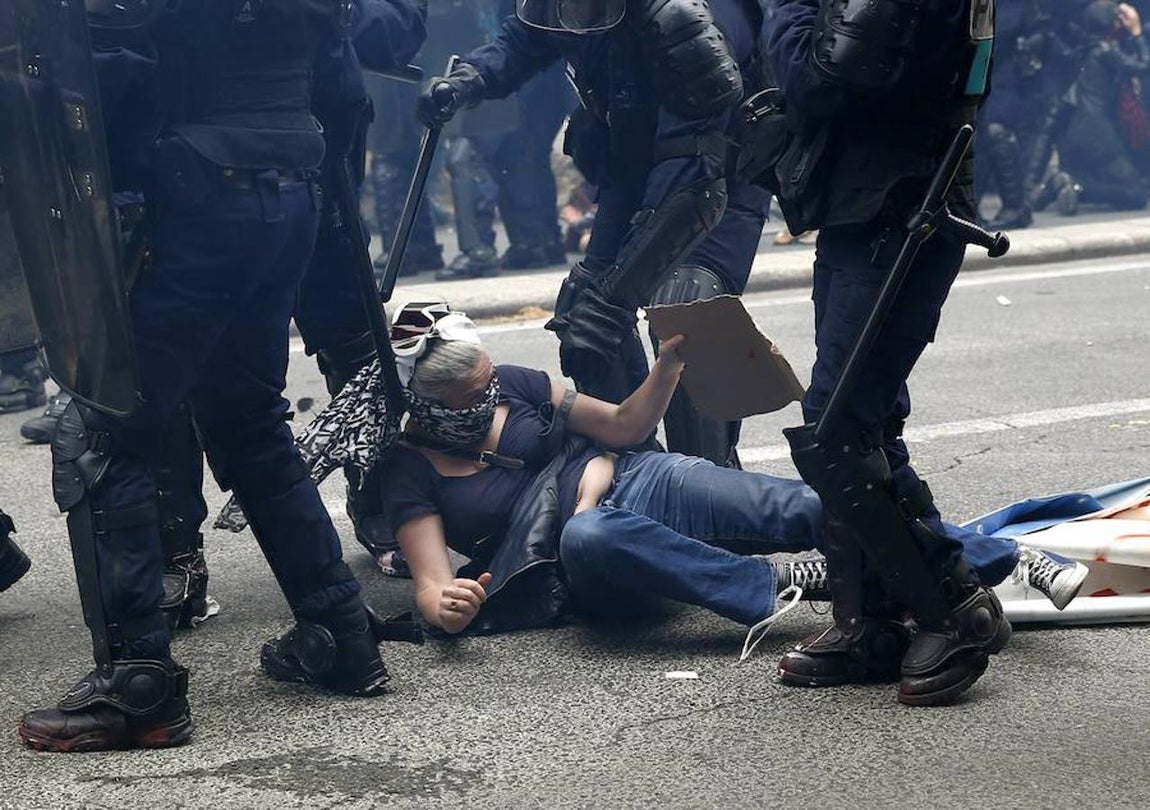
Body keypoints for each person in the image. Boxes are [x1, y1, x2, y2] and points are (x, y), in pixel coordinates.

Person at [14, 0, 406, 753]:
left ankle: (139, 687)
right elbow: (344, 87)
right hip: (285, 188)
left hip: (200, 197)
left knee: (103, 431)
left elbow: (102, 60)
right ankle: (340, 636)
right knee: (247, 420)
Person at [376, 310, 1088, 640]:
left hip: (647, 483)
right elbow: (433, 583)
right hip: (585, 557)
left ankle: (994, 552)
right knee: (592, 531)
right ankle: (779, 588)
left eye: (490, 380)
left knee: (813, 506)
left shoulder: (523, 384)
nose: (491, 397)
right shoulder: (411, 471)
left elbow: (623, 429)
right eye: (472, 396)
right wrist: (449, 609)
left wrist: (667, 369)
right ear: (425, 402)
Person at [765, 0, 1014, 705]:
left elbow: (816, 78)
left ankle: (951, 606)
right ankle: (870, 621)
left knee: (837, 426)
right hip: (869, 207)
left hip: (904, 211)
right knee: (862, 423)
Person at [416, 0, 772, 467]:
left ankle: (708, 476)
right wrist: (468, 80)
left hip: (718, 176)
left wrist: (619, 295)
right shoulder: (573, 5)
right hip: (632, 168)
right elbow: (524, 40)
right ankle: (638, 471)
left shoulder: (683, 14)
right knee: (585, 322)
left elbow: (696, 179)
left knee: (686, 305)